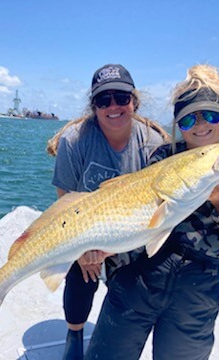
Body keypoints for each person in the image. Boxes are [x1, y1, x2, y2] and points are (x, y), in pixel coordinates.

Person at [84, 64, 219, 360]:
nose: (200, 126)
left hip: (197, 293)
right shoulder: (162, 157)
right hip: (139, 277)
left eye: (210, 115)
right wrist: (103, 251)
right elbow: (135, 217)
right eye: (188, 119)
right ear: (177, 123)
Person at [46, 64, 170, 360]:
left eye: (121, 98)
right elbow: (64, 201)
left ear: (134, 102)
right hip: (83, 226)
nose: (113, 106)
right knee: (80, 275)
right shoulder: (74, 140)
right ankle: (74, 334)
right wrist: (83, 249)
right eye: (104, 100)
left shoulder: (154, 144)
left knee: (138, 276)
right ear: (94, 106)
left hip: (133, 229)